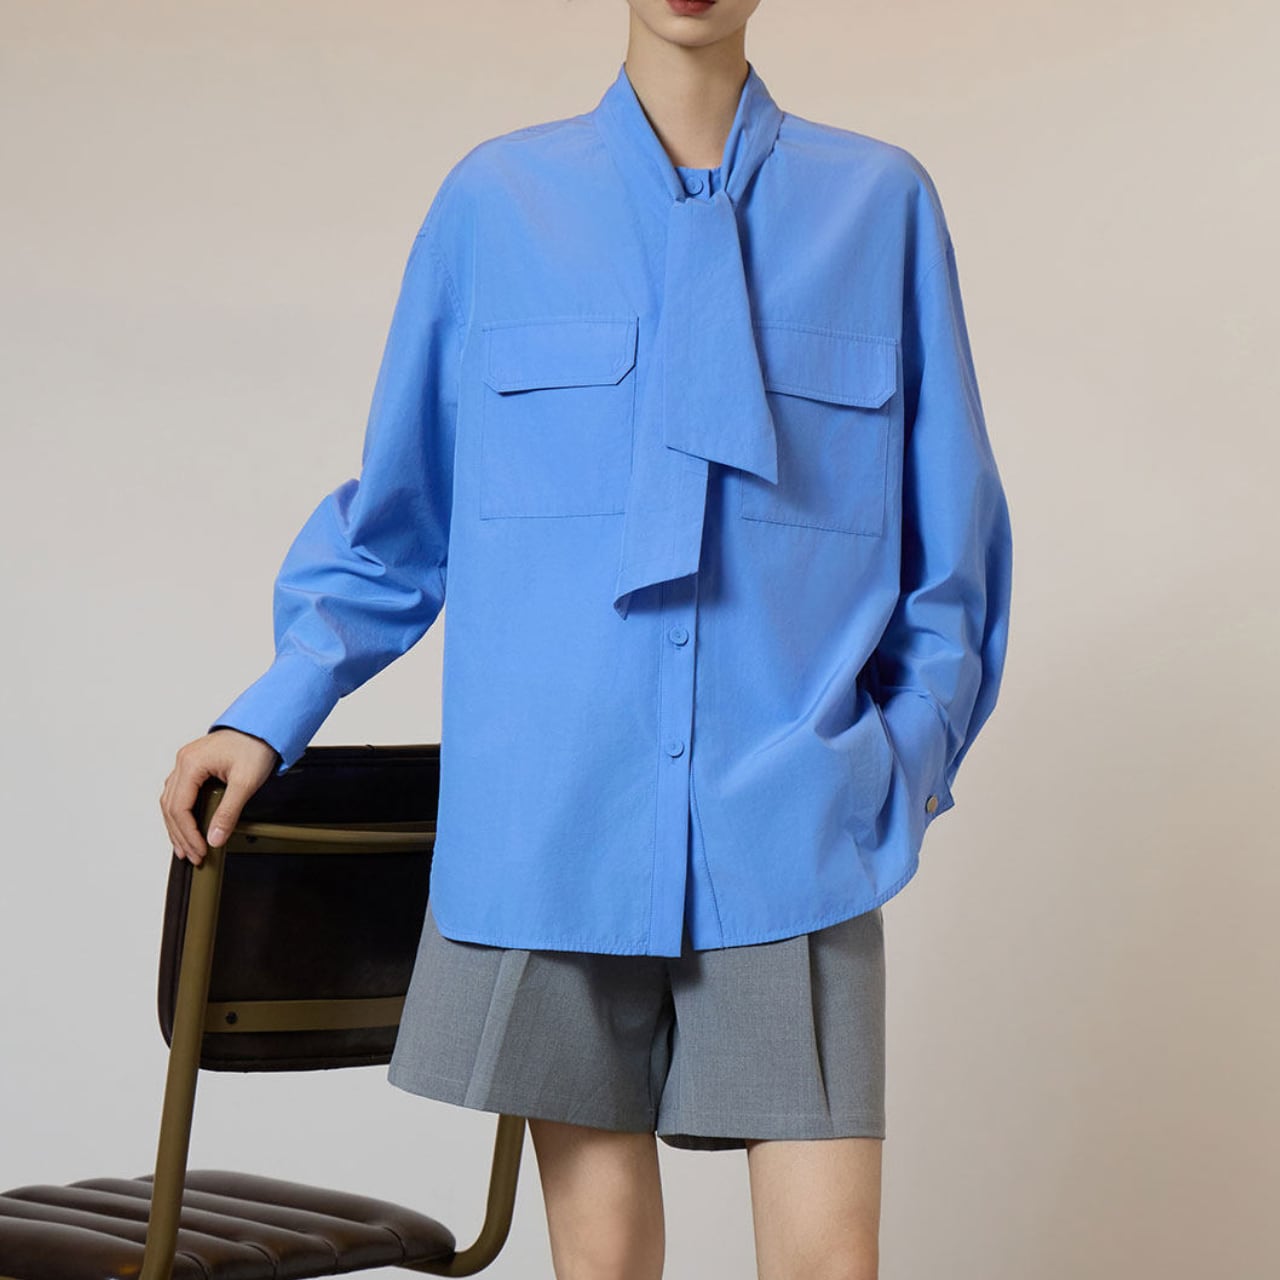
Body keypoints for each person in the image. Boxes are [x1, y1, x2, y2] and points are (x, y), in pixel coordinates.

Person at [160, 2, 1013, 1277]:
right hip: (553, 821)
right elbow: (399, 519)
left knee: (828, 1262)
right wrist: (269, 709)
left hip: (790, 819)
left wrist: (895, 762)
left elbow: (952, 546)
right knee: (600, 1262)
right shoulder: (495, 204)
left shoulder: (878, 206)